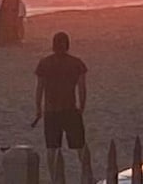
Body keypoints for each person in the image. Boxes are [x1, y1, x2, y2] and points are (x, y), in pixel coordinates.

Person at [35, 31, 87, 179]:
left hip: (51, 111)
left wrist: (38, 108)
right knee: (80, 146)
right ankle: (86, 173)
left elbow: (40, 88)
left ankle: (53, 177)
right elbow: (82, 88)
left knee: (52, 147)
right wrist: (82, 107)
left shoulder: (45, 63)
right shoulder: (76, 63)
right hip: (70, 109)